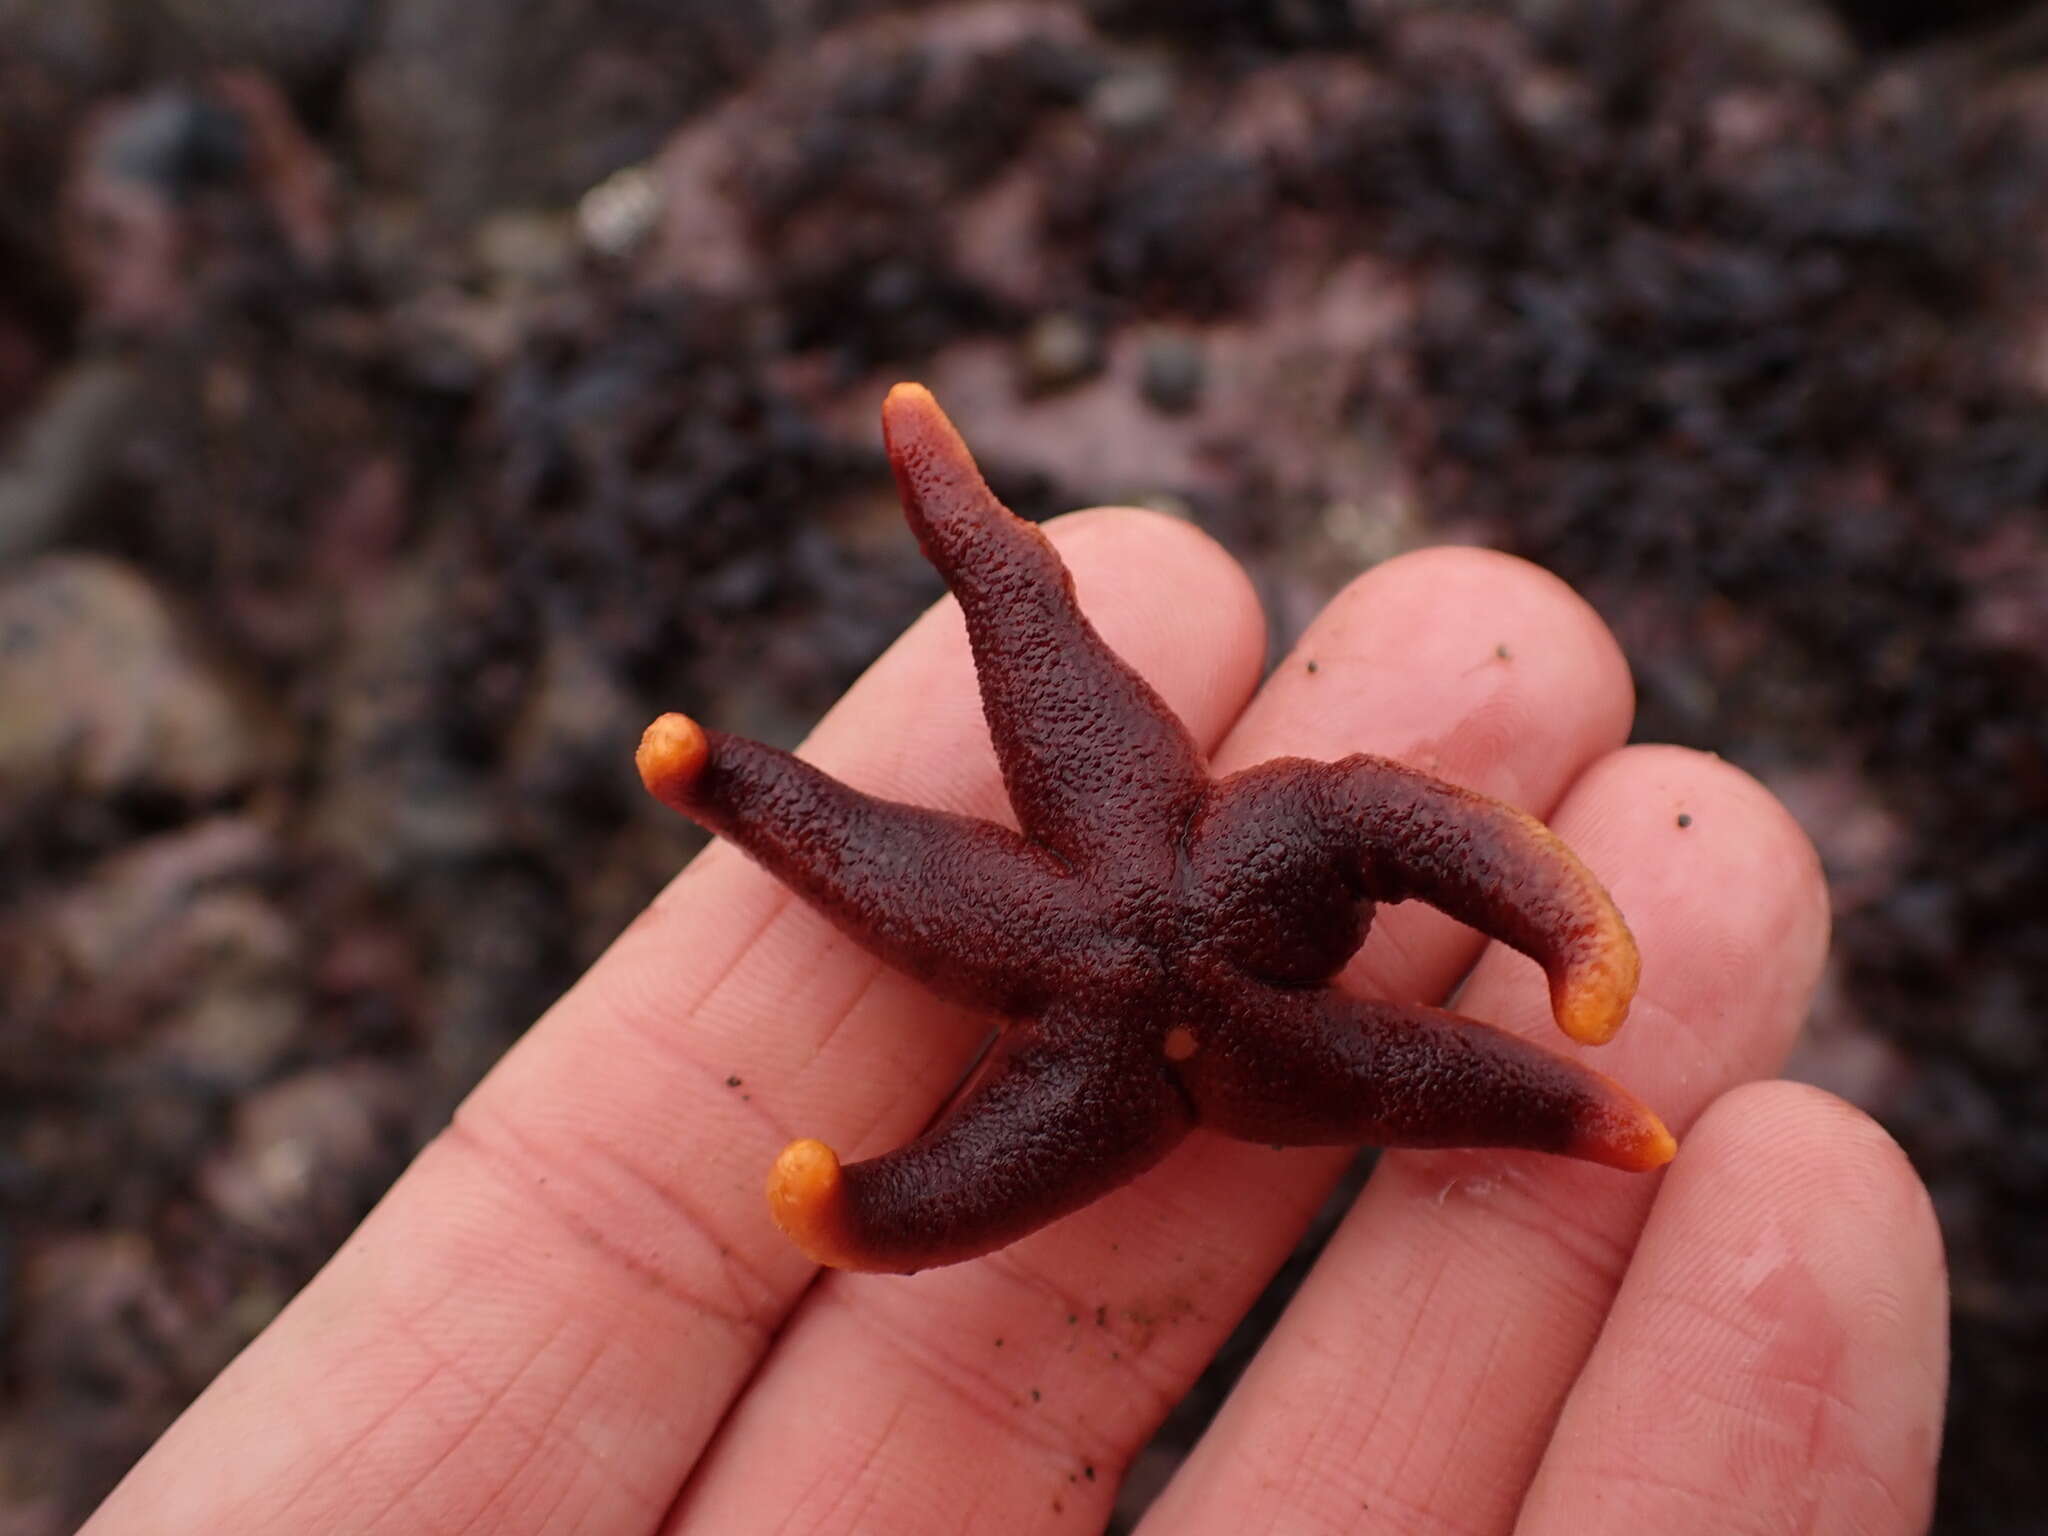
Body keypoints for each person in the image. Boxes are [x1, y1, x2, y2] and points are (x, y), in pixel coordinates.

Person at [80, 520, 1947, 1534]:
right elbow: (1029, 634)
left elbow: (1400, 844)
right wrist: (750, 798)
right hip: (1155, 1018)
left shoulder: (1240, 901)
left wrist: (1567, 958)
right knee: (903, 829)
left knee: (1456, 1069)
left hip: (1180, 1009)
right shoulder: (1195, 910)